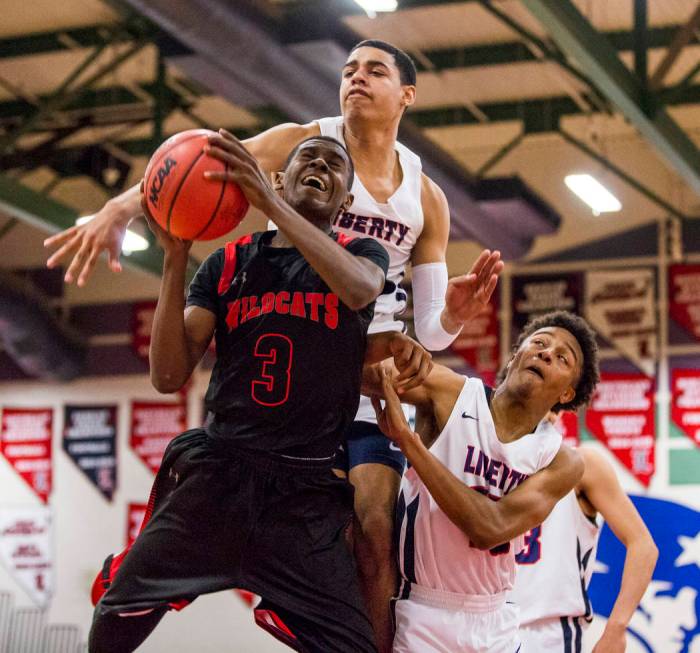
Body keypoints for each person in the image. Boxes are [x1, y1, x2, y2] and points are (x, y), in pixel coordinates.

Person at [45, 39, 503, 650]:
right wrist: (121, 210)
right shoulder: (300, 143)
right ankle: (177, 559)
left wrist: (454, 313)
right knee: (211, 515)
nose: (355, 78)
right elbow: (199, 165)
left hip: (361, 373)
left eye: (374, 70)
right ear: (281, 180)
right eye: (348, 69)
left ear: (407, 95)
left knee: (372, 528)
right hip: (284, 364)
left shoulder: (425, 197)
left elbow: (431, 329)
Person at [89, 133, 438, 653]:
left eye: (335, 165)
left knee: (353, 647)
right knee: (114, 620)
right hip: (221, 474)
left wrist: (269, 205)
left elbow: (363, 291)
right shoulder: (228, 263)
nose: (321, 164)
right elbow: (168, 375)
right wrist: (175, 258)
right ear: (280, 177)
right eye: (308, 158)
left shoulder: (359, 255)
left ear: (344, 202)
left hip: (303, 492)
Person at [365, 310, 601, 653]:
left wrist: (409, 443)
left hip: (495, 622)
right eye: (539, 342)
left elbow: (489, 527)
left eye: (562, 357)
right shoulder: (451, 392)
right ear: (516, 354)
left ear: (566, 394)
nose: (547, 352)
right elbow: (358, 371)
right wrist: (383, 341)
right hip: (424, 610)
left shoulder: (560, 460)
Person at [510, 437, 658, 653]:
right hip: (488, 628)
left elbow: (643, 546)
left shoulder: (583, 464)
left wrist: (616, 629)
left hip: (550, 633)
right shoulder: (483, 462)